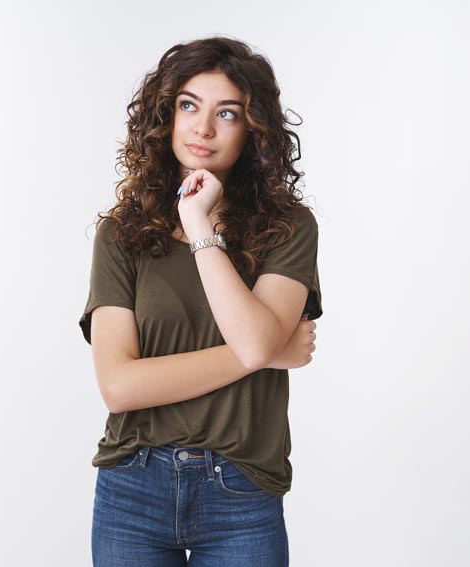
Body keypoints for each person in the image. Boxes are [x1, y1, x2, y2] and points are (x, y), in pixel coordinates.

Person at [78, 36, 323, 566]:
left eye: (227, 113)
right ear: (165, 116)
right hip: (132, 488)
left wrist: (199, 226)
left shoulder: (287, 230)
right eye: (188, 105)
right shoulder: (121, 235)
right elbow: (119, 387)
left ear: (254, 130)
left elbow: (256, 340)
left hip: (241, 489)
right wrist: (265, 353)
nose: (202, 128)